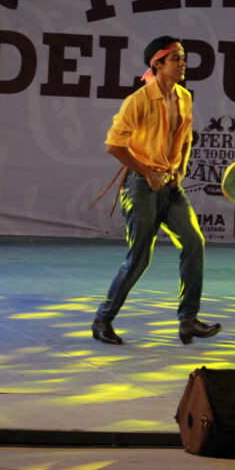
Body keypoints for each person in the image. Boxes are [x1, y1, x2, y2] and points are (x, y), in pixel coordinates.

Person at [91, 37, 221, 346]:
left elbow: (186, 136)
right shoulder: (139, 100)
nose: (182, 63)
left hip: (169, 183)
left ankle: (188, 320)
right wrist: (147, 173)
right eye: (175, 58)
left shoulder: (184, 97)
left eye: (183, 57)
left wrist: (181, 168)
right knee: (139, 257)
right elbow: (114, 145)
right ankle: (102, 320)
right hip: (141, 185)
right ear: (157, 64)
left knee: (193, 242)